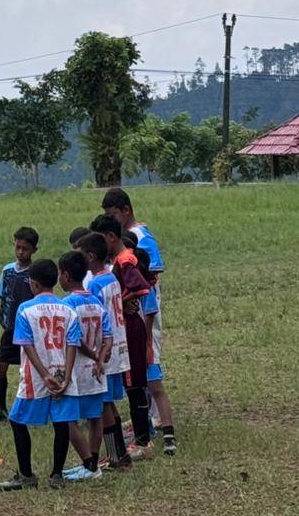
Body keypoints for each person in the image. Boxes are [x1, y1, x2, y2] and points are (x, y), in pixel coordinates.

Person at [102, 187, 176, 455]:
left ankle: (155, 424)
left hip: (144, 311)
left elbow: (152, 273)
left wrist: (135, 297)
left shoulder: (142, 238)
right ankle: (142, 421)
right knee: (134, 369)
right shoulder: (120, 241)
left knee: (147, 364)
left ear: (126, 210)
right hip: (129, 313)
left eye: (113, 214)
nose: (112, 220)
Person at [0, 259, 81, 492]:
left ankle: (26, 474)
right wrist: (66, 376)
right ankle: (56, 474)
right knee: (62, 423)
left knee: (16, 420)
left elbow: (28, 345)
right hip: (63, 374)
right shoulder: (68, 309)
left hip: (36, 378)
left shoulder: (26, 309)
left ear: (33, 283)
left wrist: (44, 375)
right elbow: (73, 344)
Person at [90, 214, 154, 459]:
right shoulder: (117, 261)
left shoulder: (125, 259)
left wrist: (122, 301)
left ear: (110, 237)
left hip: (130, 327)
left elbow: (141, 287)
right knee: (131, 383)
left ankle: (142, 441)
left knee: (135, 382)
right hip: (123, 325)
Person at [78, 232, 133, 470]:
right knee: (108, 403)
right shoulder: (111, 278)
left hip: (105, 352)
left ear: (90, 257)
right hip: (118, 347)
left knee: (102, 404)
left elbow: (96, 318)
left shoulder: (94, 284)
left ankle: (115, 456)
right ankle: (118, 453)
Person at [57, 251, 112, 482]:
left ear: (66, 276)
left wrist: (91, 355)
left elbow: (75, 340)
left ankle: (89, 464)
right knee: (94, 416)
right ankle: (93, 462)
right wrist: (100, 358)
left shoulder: (67, 304)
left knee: (66, 419)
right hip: (96, 371)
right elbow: (109, 336)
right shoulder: (96, 302)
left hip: (77, 370)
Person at [0, 226, 38, 424]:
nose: (20, 252)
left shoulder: (36, 272)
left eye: (25, 248)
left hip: (32, 331)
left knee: (32, 369)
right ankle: (1, 407)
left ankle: (35, 406)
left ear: (34, 249)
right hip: (10, 329)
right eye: (17, 247)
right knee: (0, 367)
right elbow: (3, 297)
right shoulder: (8, 271)